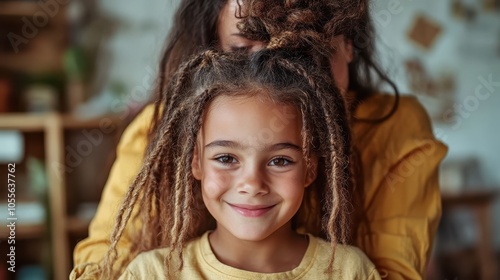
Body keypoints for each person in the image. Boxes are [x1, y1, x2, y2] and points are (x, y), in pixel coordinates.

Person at [71, 0, 447, 279]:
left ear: (347, 41)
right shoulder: (170, 128)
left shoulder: (397, 129)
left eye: (304, 50)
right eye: (243, 52)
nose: (274, 74)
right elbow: (107, 260)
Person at [100, 44, 380, 279]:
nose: (252, 184)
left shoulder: (349, 271)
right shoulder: (153, 274)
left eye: (280, 161)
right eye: (226, 158)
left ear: (310, 168)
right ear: (196, 162)